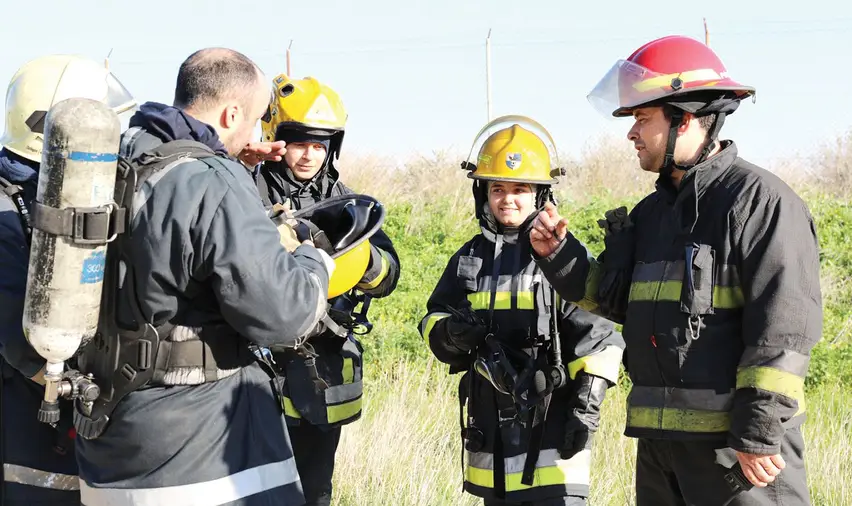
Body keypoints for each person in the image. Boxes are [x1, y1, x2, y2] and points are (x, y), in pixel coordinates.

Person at [529, 35, 821, 506]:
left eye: (643, 118)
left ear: (685, 120)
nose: (631, 133)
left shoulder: (761, 203)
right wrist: (559, 254)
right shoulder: (652, 214)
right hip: (661, 448)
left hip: (736, 454)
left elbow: (783, 330)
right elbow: (615, 300)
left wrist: (758, 430)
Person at [73, 48, 335, 505]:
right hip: (202, 458)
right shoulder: (214, 181)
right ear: (233, 112)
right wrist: (314, 262)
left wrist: (229, 161)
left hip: (109, 439)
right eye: (253, 121)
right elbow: (286, 315)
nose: (254, 135)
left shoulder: (119, 157)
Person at [420, 116, 625, 506]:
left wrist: (586, 408)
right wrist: (449, 333)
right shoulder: (467, 259)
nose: (508, 199)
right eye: (498, 188)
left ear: (539, 195)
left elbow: (600, 339)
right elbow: (431, 318)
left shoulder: (560, 256)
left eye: (520, 188)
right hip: (491, 442)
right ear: (483, 192)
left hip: (553, 436)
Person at [254, 73, 400, 506]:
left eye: (320, 145)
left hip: (319, 366)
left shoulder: (347, 202)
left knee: (314, 490)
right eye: (299, 142)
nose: (309, 155)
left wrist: (362, 259)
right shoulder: (246, 191)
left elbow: (389, 276)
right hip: (255, 366)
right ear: (275, 138)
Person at [0, 54, 138, 505]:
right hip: (24, 424)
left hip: (60, 415)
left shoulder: (55, 197)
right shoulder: (7, 210)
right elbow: (12, 331)